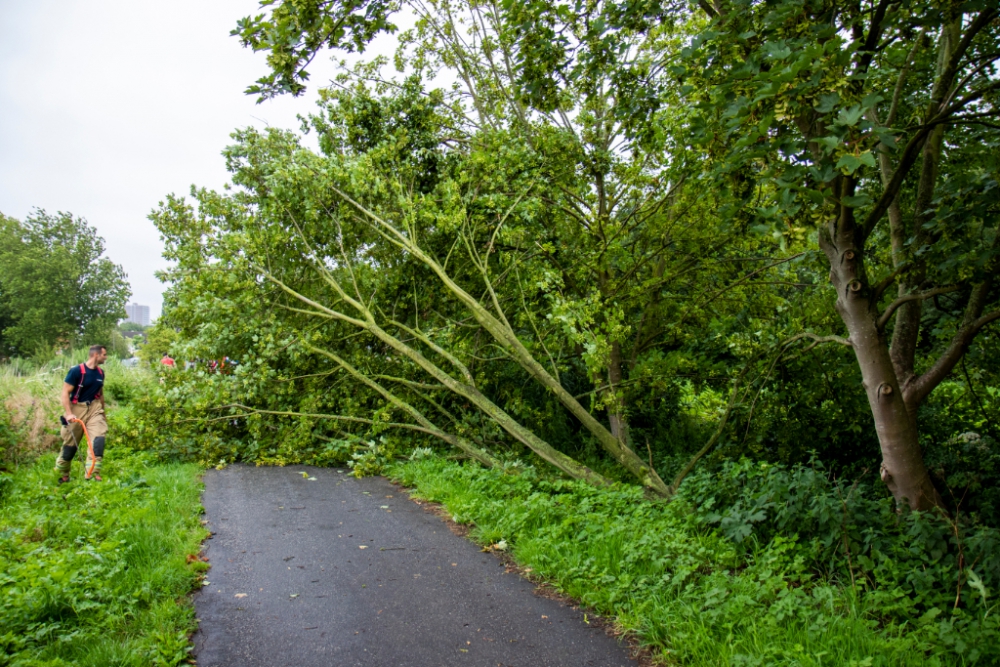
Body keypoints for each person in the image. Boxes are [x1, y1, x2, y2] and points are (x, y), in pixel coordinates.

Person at [55, 344, 108, 483]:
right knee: (69, 447)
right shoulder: (76, 371)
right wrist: (68, 414)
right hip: (77, 409)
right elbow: (65, 392)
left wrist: (103, 414)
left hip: (95, 409)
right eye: (104, 355)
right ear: (96, 355)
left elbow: (100, 395)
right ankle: (63, 474)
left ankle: (92, 474)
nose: (106, 357)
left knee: (98, 441)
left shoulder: (100, 373)